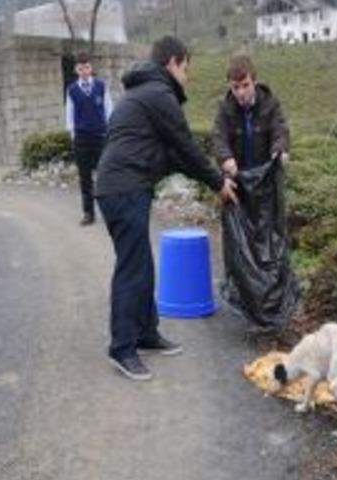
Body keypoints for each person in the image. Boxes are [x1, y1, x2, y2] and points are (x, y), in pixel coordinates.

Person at [95, 36, 238, 381]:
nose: (187, 76)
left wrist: (213, 178)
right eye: (186, 68)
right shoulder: (159, 95)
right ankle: (122, 348)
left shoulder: (143, 94)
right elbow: (186, 147)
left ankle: (146, 333)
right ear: (173, 62)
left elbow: (175, 155)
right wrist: (219, 183)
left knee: (141, 263)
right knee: (133, 267)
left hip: (123, 187)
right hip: (124, 189)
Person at [212, 55, 296, 330]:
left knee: (268, 241)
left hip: (264, 187)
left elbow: (280, 130)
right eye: (235, 87)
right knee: (238, 245)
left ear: (254, 81)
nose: (240, 93)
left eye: (245, 85)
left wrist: (280, 150)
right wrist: (225, 159)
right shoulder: (226, 109)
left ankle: (272, 300)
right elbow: (218, 138)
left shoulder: (270, 104)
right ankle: (242, 298)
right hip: (237, 185)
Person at [65, 53, 113, 226]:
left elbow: (109, 111)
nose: (84, 71)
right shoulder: (71, 90)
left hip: (101, 138)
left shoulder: (101, 86)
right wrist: (73, 135)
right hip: (82, 140)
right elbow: (69, 115)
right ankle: (88, 213)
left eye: (86, 67)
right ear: (76, 70)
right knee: (85, 179)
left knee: (105, 177)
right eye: (80, 68)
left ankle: (109, 212)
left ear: (91, 68)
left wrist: (111, 132)